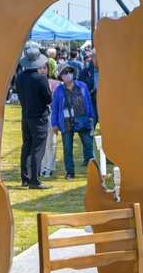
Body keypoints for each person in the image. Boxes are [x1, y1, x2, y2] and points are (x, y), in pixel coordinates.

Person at [50, 65, 96, 179]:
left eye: (69, 71)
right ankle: (70, 172)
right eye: (64, 73)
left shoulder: (82, 85)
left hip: (83, 119)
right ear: (60, 76)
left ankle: (93, 171)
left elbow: (89, 102)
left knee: (88, 145)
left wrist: (91, 116)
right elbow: (55, 108)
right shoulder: (58, 90)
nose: (67, 74)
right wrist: (54, 124)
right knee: (67, 148)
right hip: (65, 122)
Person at [14, 50, 52, 189]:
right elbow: (48, 98)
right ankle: (35, 180)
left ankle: (25, 178)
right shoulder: (40, 78)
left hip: (26, 115)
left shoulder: (20, 77)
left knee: (27, 147)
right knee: (38, 148)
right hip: (39, 116)